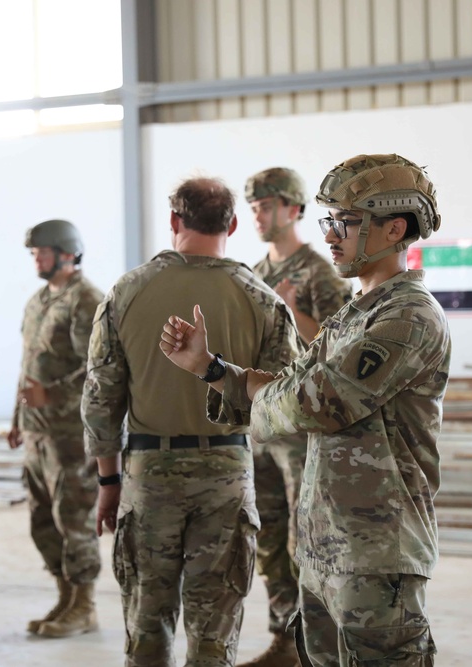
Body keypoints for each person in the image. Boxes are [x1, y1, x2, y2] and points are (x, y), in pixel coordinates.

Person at [162, 154, 451, 666]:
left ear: (395, 228)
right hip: (326, 549)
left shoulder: (407, 317)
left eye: (347, 222)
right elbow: (293, 385)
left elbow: (316, 404)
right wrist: (210, 367)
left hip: (375, 554)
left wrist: (278, 403)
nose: (333, 234)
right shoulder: (352, 314)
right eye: (330, 221)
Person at [81, 176, 300, 667]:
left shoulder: (128, 291)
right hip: (227, 476)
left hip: (148, 473)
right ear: (234, 224)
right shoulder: (262, 299)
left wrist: (109, 480)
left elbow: (100, 398)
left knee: (146, 625)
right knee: (214, 632)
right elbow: (287, 401)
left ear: (174, 221)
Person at [239, 167, 354, 667]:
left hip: (303, 430)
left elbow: (341, 351)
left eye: (266, 206)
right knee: (266, 534)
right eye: (255, 208)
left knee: (304, 539)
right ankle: (285, 638)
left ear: (293, 209)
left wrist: (291, 310)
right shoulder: (252, 274)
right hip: (261, 426)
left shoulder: (320, 272)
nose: (259, 216)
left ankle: (317, 643)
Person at [7, 219, 105, 638]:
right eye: (33, 253)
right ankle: (64, 596)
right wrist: (17, 418)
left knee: (74, 519)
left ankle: (84, 605)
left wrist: (53, 398)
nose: (37, 259)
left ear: (67, 252)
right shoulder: (38, 301)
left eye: (41, 252)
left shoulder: (86, 301)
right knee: (42, 520)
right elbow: (29, 365)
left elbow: (97, 369)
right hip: (36, 433)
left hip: (69, 435)